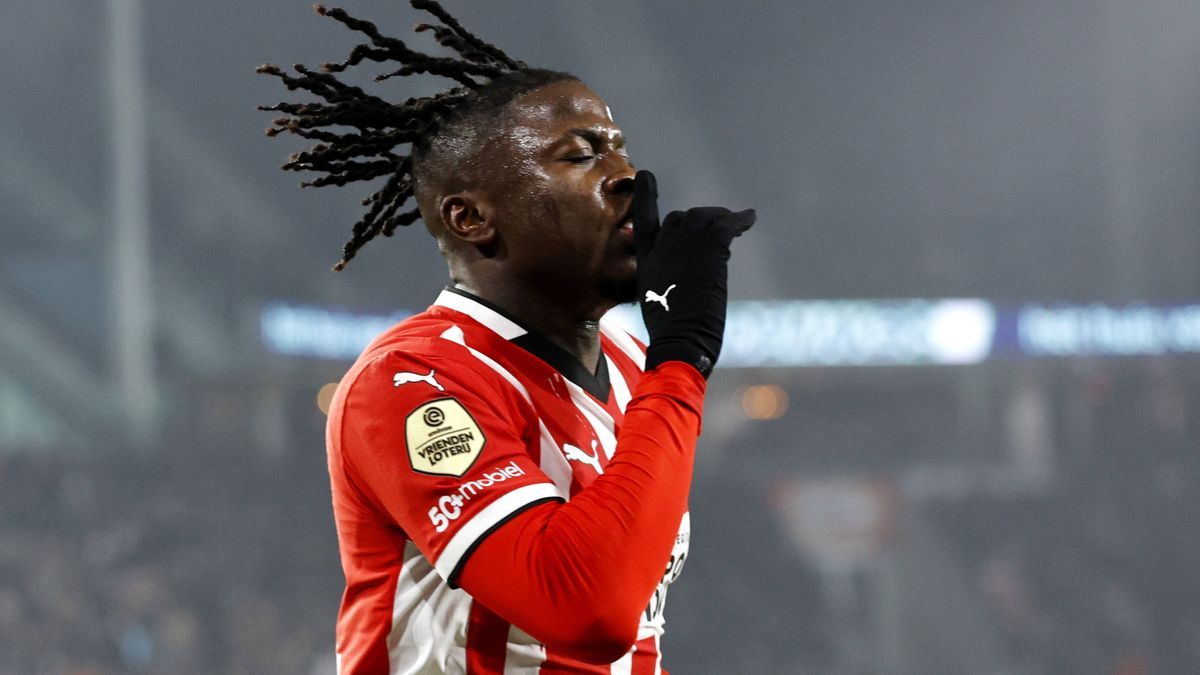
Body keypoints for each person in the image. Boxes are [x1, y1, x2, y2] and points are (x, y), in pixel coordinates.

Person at [259, 2, 754, 673]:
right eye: (580, 155)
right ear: (472, 219)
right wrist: (685, 358)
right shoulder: (413, 379)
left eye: (619, 149)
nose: (626, 178)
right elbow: (586, 608)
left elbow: (635, 626)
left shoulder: (639, 367)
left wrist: (670, 363)